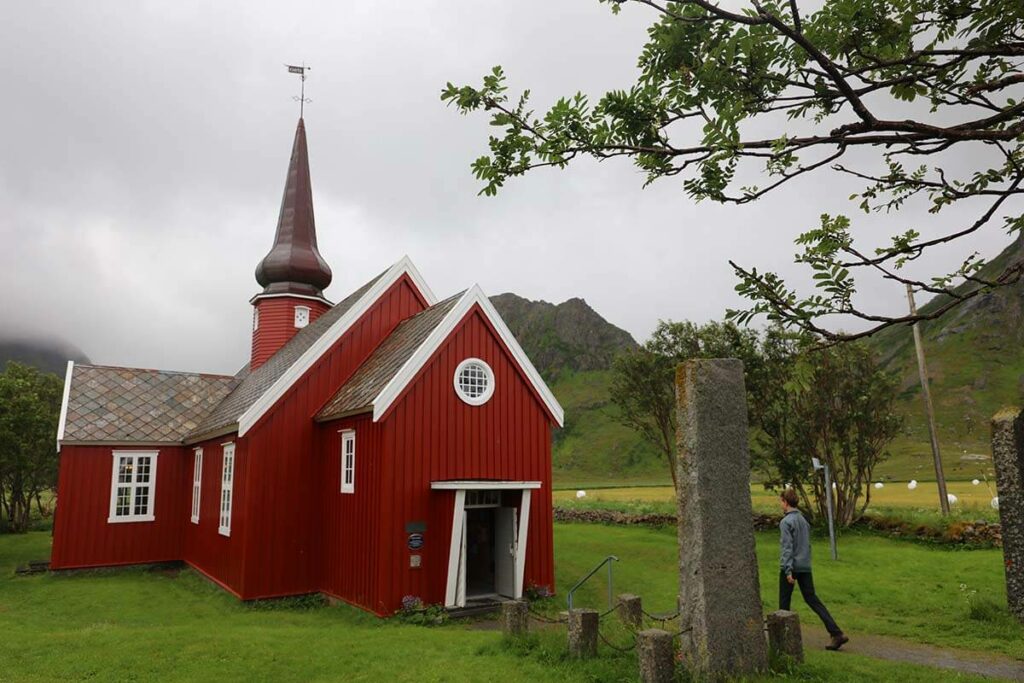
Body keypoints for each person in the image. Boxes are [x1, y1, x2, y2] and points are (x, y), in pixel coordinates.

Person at [779, 488, 849, 651]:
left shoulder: (786, 522)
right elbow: (806, 545)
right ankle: (836, 632)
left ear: (785, 502)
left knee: (784, 604)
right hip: (805, 566)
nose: (780, 504)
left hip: (791, 567)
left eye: (781, 501)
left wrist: (788, 570)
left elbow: (787, 548)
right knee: (812, 599)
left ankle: (783, 639)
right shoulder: (803, 520)